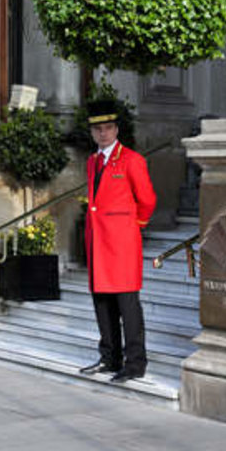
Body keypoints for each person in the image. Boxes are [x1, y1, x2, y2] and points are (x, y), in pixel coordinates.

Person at [79, 99, 157, 382]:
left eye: (108, 128)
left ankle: (135, 364)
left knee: (127, 306)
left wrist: (133, 226)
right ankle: (109, 358)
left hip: (121, 244)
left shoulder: (132, 160)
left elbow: (147, 200)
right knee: (102, 303)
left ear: (116, 130)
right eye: (98, 129)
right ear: (92, 132)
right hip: (98, 243)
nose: (103, 134)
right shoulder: (93, 161)